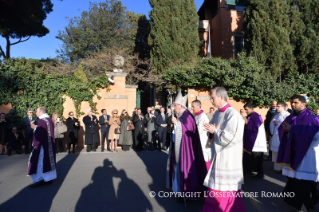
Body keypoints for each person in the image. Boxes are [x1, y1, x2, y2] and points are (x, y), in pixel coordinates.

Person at [202, 87, 246, 212]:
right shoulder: (216, 113)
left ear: (221, 97)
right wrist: (210, 131)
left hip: (228, 157)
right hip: (218, 155)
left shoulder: (233, 114)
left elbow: (232, 137)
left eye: (212, 98)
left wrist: (214, 131)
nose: (211, 100)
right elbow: (212, 131)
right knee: (216, 186)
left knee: (226, 188)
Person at [277, 95, 319, 212]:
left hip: (306, 156)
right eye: (291, 102)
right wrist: (285, 130)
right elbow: (282, 130)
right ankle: (299, 204)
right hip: (294, 153)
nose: (292, 104)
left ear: (303, 104)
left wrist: (293, 130)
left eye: (295, 102)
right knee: (295, 182)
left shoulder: (312, 119)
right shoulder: (290, 117)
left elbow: (316, 136)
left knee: (304, 183)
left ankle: (305, 206)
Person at [166, 90, 207, 201]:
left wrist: (177, 124)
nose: (174, 108)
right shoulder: (181, 115)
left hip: (186, 150)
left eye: (175, 105)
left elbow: (187, 131)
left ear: (180, 105)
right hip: (179, 147)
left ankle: (186, 192)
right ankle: (178, 190)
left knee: (186, 169)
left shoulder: (187, 116)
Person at [28, 107, 56, 188]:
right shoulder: (49, 119)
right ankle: (49, 178)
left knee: (40, 162)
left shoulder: (43, 120)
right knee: (48, 161)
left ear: (40, 112)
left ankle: (40, 179)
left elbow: (40, 134)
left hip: (43, 146)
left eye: (37, 112)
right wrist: (37, 127)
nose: (36, 113)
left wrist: (35, 128)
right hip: (49, 144)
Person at [242, 102, 268, 179]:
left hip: (256, 142)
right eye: (245, 109)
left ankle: (250, 173)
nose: (245, 111)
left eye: (247, 109)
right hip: (252, 141)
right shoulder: (250, 116)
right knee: (254, 159)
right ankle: (259, 172)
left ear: (251, 108)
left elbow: (255, 128)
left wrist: (247, 123)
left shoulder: (256, 116)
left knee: (254, 159)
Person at [269, 102, 290, 172]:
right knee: (275, 152)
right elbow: (271, 124)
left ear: (283, 107)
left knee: (281, 151)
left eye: (278, 106)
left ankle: (283, 168)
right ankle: (277, 167)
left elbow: (288, 125)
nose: (276, 107)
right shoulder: (276, 115)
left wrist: (278, 123)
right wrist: (274, 124)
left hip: (282, 137)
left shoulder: (287, 115)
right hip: (275, 135)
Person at [192, 100, 211, 170]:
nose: (192, 108)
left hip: (202, 140)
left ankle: (207, 174)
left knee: (204, 157)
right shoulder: (195, 115)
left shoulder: (203, 116)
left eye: (193, 106)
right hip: (197, 140)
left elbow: (199, 130)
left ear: (198, 106)